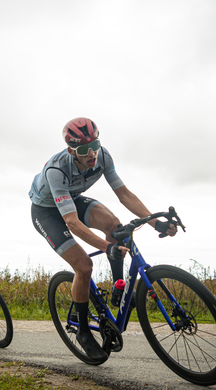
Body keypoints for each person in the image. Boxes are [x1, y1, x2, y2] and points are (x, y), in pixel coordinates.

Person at [29, 117, 177, 362]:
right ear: (71, 151)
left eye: (94, 146)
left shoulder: (103, 156)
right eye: (84, 150)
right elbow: (72, 222)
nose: (92, 154)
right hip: (46, 212)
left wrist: (155, 222)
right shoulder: (57, 170)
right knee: (84, 265)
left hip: (71, 199)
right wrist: (106, 247)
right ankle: (83, 332)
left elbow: (124, 194)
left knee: (114, 225)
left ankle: (119, 288)